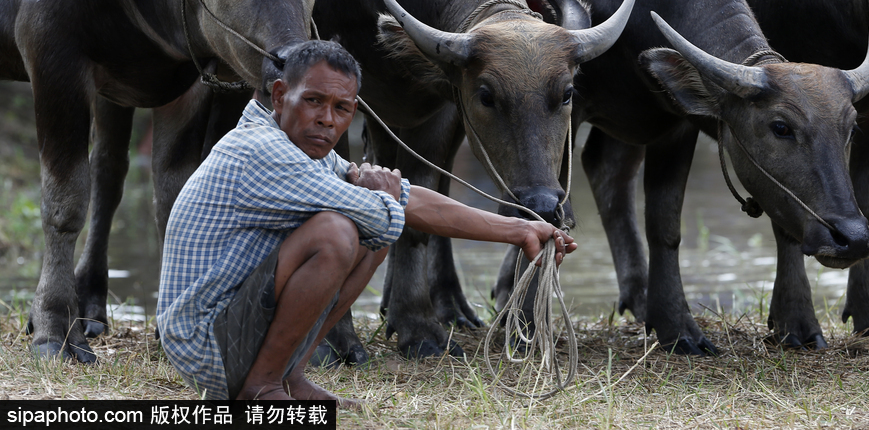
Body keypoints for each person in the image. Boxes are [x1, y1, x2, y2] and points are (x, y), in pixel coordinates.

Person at [156, 39, 576, 403]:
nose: (327, 119)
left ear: (353, 111)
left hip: (232, 330)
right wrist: (382, 197)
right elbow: (385, 208)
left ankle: (289, 374)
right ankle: (260, 388)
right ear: (280, 96)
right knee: (338, 232)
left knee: (370, 229)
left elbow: (409, 201)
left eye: (341, 108)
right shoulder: (262, 151)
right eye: (314, 101)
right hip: (205, 343)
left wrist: (521, 229)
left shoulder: (304, 148)